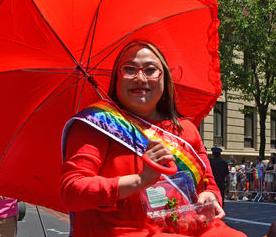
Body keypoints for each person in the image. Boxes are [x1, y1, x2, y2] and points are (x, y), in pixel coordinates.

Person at [60, 41, 246, 237]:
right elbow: (72, 192)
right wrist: (139, 180)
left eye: (150, 70)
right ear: (117, 77)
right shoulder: (96, 124)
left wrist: (210, 196)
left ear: (165, 78)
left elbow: (208, 183)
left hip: (188, 226)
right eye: (130, 69)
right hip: (124, 231)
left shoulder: (187, 129)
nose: (140, 78)